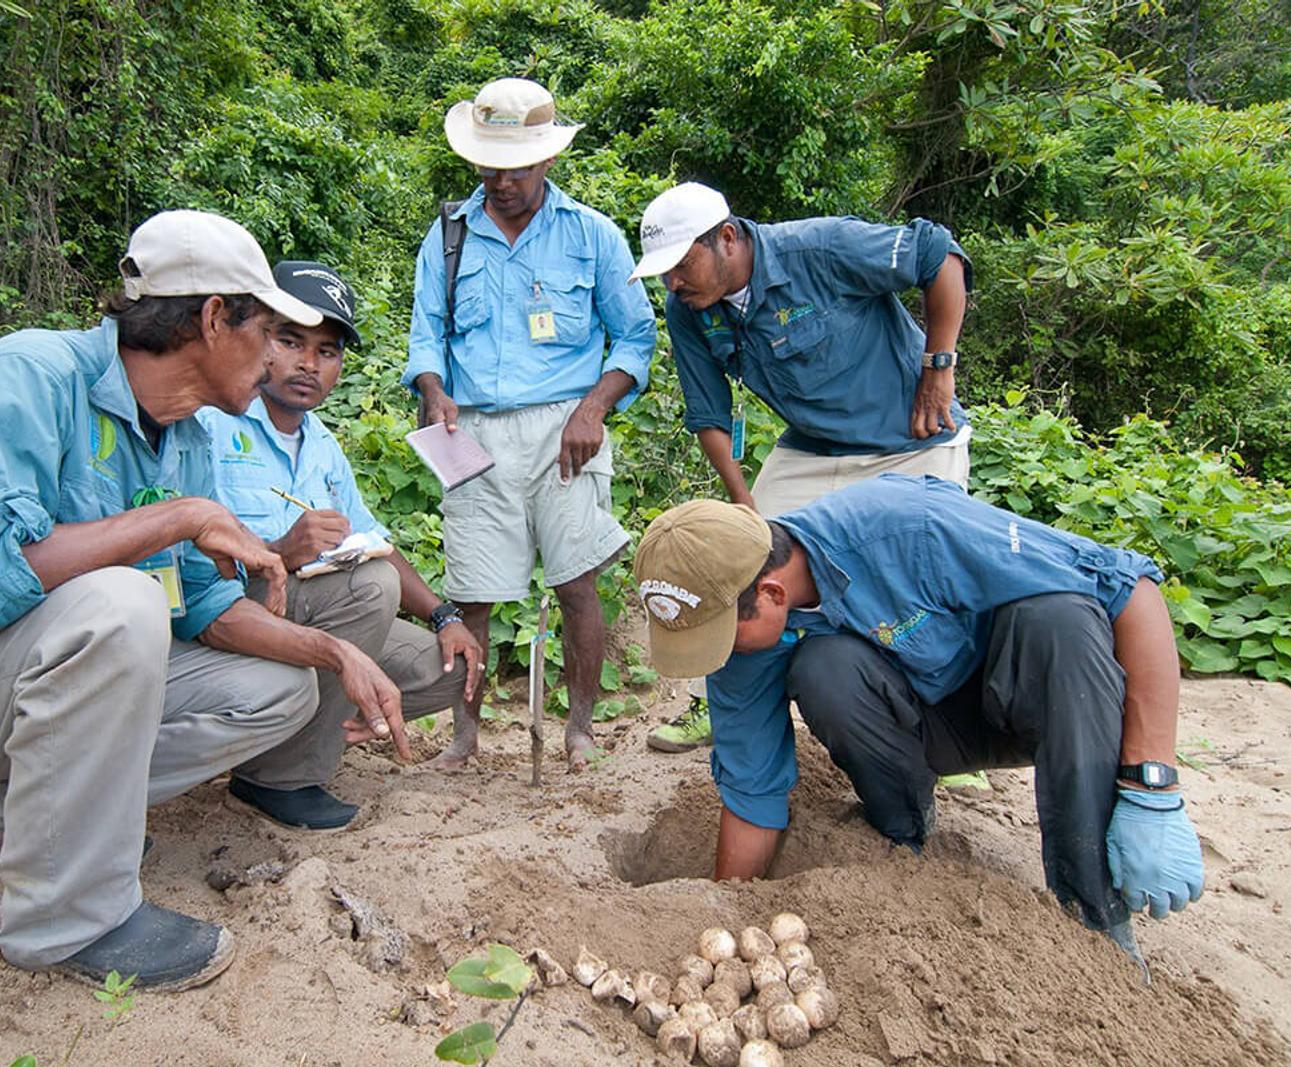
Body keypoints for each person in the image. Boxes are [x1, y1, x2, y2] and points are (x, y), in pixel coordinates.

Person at [0, 210, 410, 991]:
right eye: (273, 331)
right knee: (120, 601)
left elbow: (204, 604)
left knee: (278, 690)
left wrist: (335, 651)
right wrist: (176, 517)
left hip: (39, 688)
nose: (282, 356)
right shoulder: (28, 377)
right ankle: (65, 917)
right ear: (216, 319)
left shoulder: (189, 437)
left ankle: (40, 810)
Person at [633, 475, 1204, 961]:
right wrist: (722, 921)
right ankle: (904, 828)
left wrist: (1152, 781)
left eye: (724, 637)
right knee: (825, 668)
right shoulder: (748, 639)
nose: (722, 656)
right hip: (929, 729)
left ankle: (1095, 918)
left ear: (772, 592)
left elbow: (1130, 588)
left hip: (1033, 699)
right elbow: (752, 789)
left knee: (1062, 618)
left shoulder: (909, 527)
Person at [629, 181, 975, 756]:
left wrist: (938, 366)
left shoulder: (819, 249)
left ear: (728, 238)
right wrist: (744, 505)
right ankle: (716, 702)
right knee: (740, 561)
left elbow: (939, 256)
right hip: (814, 447)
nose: (673, 282)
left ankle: (949, 727)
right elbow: (709, 415)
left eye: (682, 264)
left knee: (924, 577)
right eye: (663, 272)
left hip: (915, 438)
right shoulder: (689, 310)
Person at [403, 77, 657, 769]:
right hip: (473, 429)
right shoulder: (451, 233)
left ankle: (580, 729)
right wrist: (432, 389)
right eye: (488, 165)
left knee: (577, 583)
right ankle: (464, 736)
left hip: (564, 430)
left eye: (514, 167)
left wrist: (593, 408)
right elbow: (425, 330)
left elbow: (635, 338)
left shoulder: (591, 235)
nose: (500, 180)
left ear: (547, 161)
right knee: (473, 592)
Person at [198, 261, 486, 807]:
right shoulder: (216, 421)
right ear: (259, 338)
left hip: (319, 611)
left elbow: (372, 539)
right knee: (371, 587)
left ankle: (312, 727)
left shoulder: (323, 443)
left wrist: (446, 617)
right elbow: (190, 555)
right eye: (290, 341)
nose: (308, 364)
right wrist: (278, 550)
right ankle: (278, 778)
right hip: (239, 609)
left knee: (452, 669)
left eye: (326, 352)